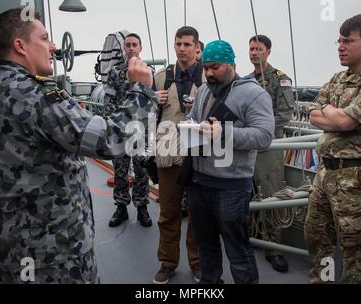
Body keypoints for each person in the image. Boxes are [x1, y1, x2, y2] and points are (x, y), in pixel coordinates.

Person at [0, 8, 157, 283]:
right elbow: (111, 141)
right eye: (44, 38)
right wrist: (141, 90)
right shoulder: (38, 95)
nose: (53, 46)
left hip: (9, 246)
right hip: (54, 254)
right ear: (21, 46)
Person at [305, 13, 361, 284]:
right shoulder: (337, 79)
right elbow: (313, 113)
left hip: (356, 176)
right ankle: (322, 281)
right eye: (339, 40)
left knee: (353, 248)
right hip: (326, 173)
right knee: (317, 236)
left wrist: (333, 115)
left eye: (348, 41)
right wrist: (331, 113)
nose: (340, 47)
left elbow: (346, 121)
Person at [187, 40, 275, 284]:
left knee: (238, 250)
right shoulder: (204, 90)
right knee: (206, 246)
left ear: (231, 64)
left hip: (231, 187)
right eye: (206, 68)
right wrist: (188, 125)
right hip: (199, 182)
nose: (209, 73)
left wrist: (223, 133)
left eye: (214, 67)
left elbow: (265, 136)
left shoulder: (254, 93)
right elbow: (193, 117)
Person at [152, 26, 204, 284]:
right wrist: (153, 101)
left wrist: (200, 108)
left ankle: (197, 263)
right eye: (178, 44)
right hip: (167, 150)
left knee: (198, 212)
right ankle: (168, 262)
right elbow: (147, 117)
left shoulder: (208, 77)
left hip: (198, 153)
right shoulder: (161, 77)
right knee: (168, 211)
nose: (182, 49)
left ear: (197, 47)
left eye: (187, 44)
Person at [247, 35, 294, 273]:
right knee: (247, 191)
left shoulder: (280, 80)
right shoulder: (244, 82)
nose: (254, 53)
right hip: (246, 146)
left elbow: (284, 115)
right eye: (251, 49)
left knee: (271, 195)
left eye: (259, 49)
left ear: (268, 52)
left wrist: (259, 133)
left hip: (268, 146)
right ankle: (250, 235)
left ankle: (273, 248)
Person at [102, 33, 152, 228]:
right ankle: (121, 207)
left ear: (141, 48)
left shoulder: (148, 71)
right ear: (124, 48)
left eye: (134, 45)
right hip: (121, 131)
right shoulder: (115, 73)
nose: (131, 48)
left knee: (142, 171)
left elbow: (152, 100)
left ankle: (142, 207)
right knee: (120, 172)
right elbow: (109, 101)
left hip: (141, 131)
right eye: (128, 45)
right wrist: (112, 127)